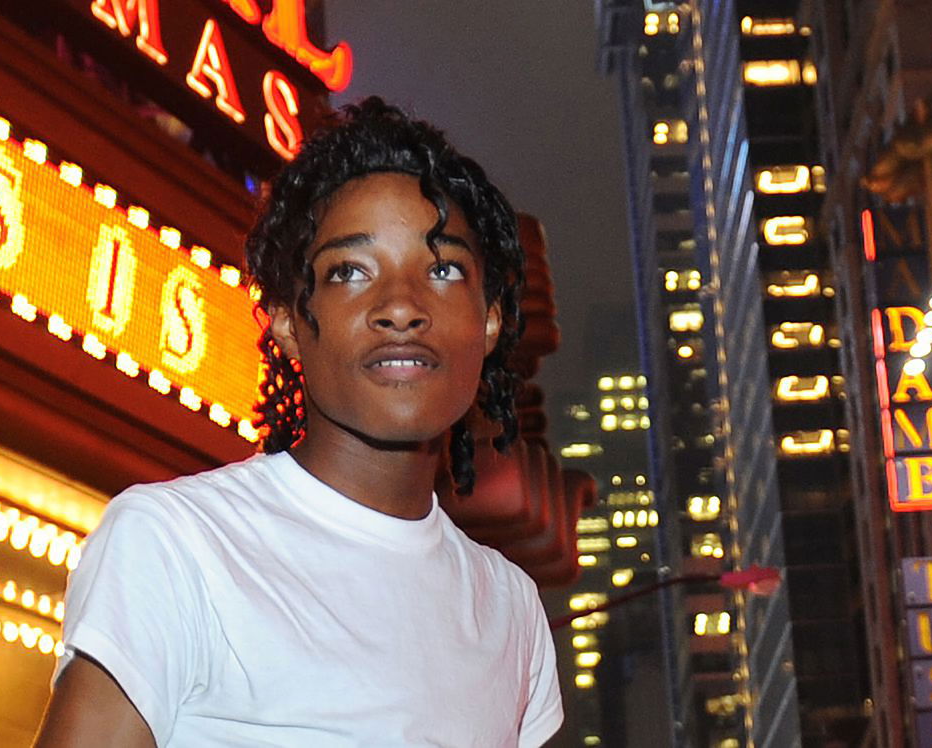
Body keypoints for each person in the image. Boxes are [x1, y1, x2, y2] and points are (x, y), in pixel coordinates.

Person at [33, 97, 562, 747]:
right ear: (287, 320)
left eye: (443, 268)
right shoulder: (175, 542)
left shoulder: (510, 607)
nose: (400, 306)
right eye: (350, 271)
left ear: (489, 320)